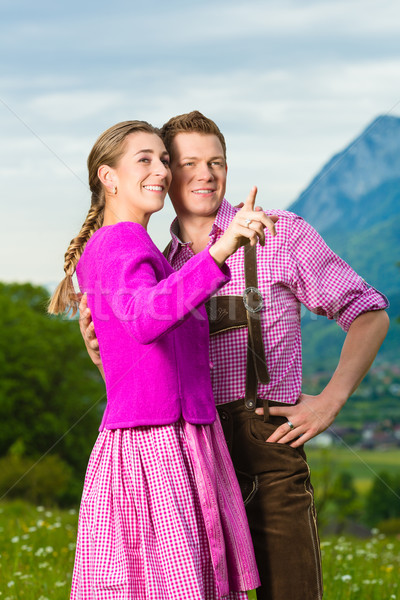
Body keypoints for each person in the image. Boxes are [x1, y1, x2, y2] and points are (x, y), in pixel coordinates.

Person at [80, 112, 389, 600]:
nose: (205, 174)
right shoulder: (162, 264)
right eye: (186, 163)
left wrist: (331, 400)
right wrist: (103, 350)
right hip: (189, 455)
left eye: (216, 162)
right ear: (167, 175)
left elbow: (368, 311)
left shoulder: (279, 233)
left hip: (264, 445)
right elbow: (152, 354)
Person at [48, 119, 279, 599]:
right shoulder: (119, 241)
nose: (162, 170)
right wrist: (221, 249)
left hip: (177, 431)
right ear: (109, 177)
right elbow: (143, 317)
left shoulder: (133, 245)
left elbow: (135, 342)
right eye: (145, 159)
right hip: (158, 439)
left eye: (164, 159)